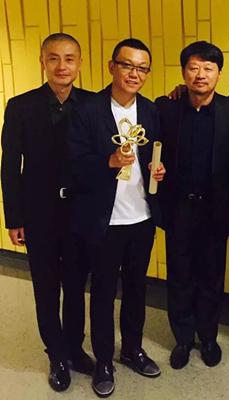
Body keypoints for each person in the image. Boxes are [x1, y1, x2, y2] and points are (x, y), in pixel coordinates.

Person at [67, 38, 165, 397]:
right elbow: (73, 165)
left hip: (142, 217)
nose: (134, 74)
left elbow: (157, 154)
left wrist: (159, 170)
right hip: (104, 221)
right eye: (127, 65)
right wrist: (107, 162)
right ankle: (104, 361)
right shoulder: (88, 110)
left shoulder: (151, 111)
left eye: (142, 68)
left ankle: (132, 349)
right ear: (112, 66)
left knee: (137, 288)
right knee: (104, 292)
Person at [1, 33, 94, 392]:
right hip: (38, 213)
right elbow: (10, 167)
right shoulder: (20, 106)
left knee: (76, 284)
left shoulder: (93, 104)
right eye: (53, 58)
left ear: (79, 63)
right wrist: (13, 219)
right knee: (46, 286)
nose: (61, 66)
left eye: (69, 58)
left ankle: (75, 347)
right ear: (42, 62)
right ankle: (56, 354)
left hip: (80, 212)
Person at [155, 41, 229, 370]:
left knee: (211, 277)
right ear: (183, 72)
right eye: (193, 68)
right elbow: (154, 151)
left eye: (208, 68)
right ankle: (182, 338)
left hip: (215, 209)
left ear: (219, 74)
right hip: (178, 207)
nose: (200, 75)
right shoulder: (166, 108)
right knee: (179, 275)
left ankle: (208, 337)